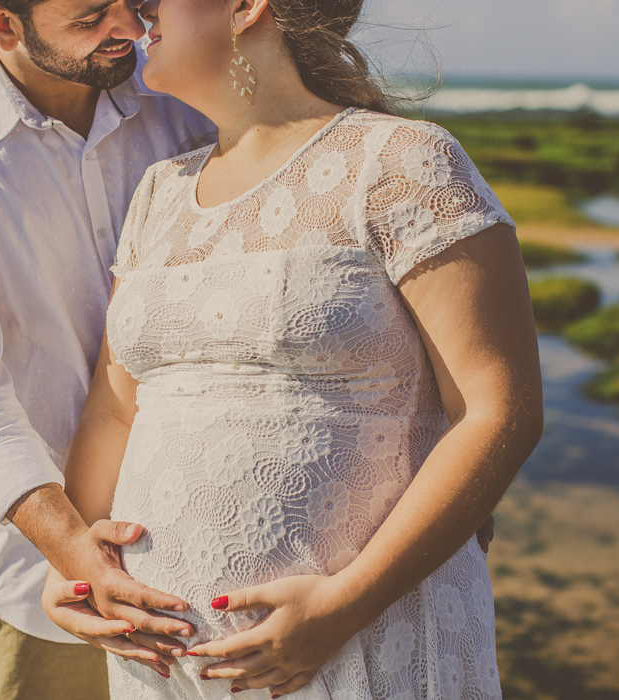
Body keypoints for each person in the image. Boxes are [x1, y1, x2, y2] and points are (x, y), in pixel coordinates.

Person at [42, 0, 543, 698]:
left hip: (356, 639)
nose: (138, 7)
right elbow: (116, 408)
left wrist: (347, 605)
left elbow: (496, 411)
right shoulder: (159, 190)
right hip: (162, 662)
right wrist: (72, 563)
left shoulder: (403, 160)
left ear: (248, 6)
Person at [0, 1, 220, 697]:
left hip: (212, 551)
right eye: (91, 17)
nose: (130, 29)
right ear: (2, 25)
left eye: (130, 1)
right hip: (42, 589)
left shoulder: (186, 97)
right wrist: (73, 553)